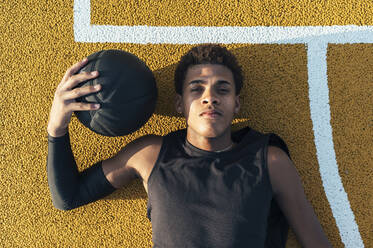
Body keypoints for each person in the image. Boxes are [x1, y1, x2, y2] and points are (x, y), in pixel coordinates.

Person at [47, 44, 333, 248]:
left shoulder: (269, 162)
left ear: (236, 105)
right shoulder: (150, 156)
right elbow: (68, 197)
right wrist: (57, 128)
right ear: (180, 104)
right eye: (197, 89)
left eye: (223, 89)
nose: (210, 98)